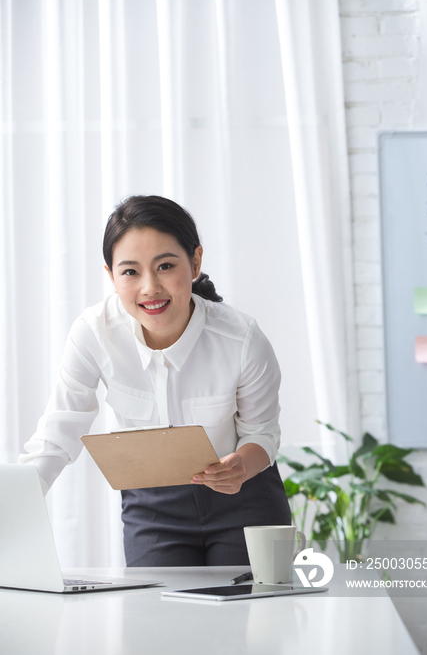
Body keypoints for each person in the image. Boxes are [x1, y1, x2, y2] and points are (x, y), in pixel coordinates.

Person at [19, 195, 291, 567]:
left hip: (244, 498)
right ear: (111, 276)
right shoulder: (94, 333)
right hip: (152, 509)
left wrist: (240, 466)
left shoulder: (242, 339)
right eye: (130, 271)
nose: (150, 287)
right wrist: (16, 504)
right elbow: (57, 434)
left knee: (246, 621)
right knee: (157, 621)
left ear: (195, 262)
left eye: (165, 266)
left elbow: (263, 433)